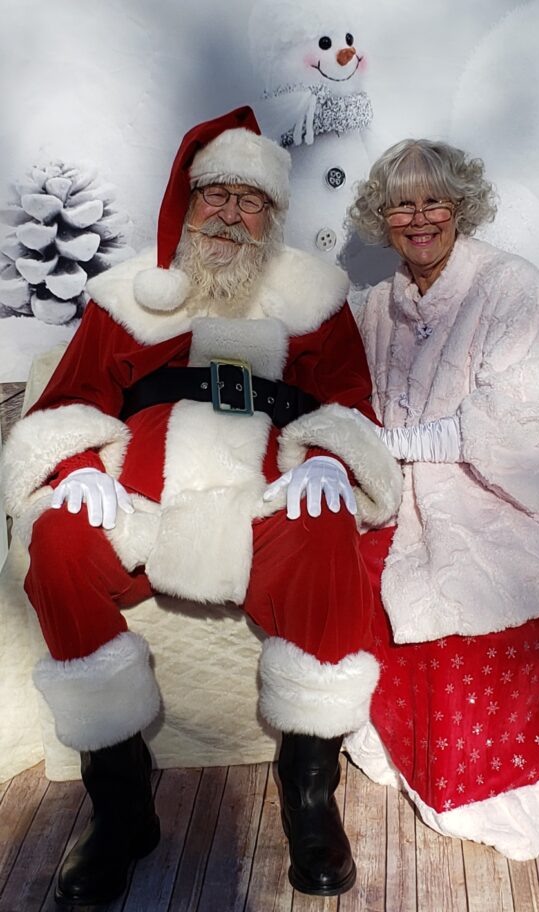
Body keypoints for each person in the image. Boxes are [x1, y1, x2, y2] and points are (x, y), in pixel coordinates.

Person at [1, 106, 402, 904]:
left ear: (274, 215)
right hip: (142, 500)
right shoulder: (126, 297)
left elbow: (349, 396)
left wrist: (327, 458)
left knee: (327, 533)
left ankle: (308, 797)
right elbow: (72, 395)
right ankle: (120, 808)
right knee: (60, 543)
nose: (228, 214)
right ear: (187, 204)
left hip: (264, 502)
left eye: (248, 201)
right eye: (214, 195)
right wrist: (78, 464)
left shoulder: (316, 295)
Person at [344, 138, 539, 859]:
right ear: (382, 215)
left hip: (509, 488)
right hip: (405, 486)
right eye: (401, 202)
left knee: (465, 582)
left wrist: (397, 444)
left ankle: (494, 781)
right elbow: (352, 401)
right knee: (353, 562)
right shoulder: (376, 306)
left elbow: (522, 420)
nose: (418, 217)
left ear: (460, 208)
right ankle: (407, 754)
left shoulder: (510, 286)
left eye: (434, 200)